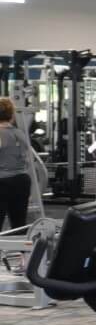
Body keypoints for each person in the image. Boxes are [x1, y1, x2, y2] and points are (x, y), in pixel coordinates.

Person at [0, 98, 33, 232]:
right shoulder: (19, 133)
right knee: (19, 225)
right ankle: (20, 252)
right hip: (22, 180)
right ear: (11, 115)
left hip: (3, 182)